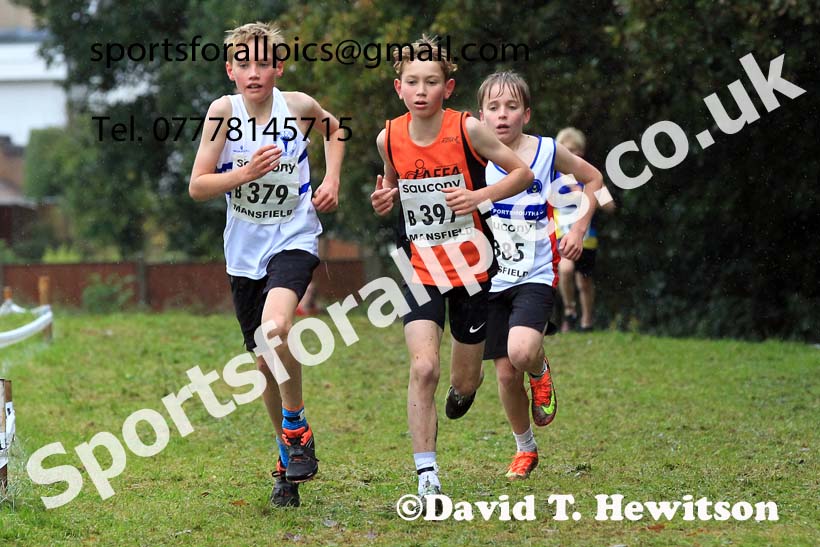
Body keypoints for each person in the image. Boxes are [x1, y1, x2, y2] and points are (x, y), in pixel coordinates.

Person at [188, 22, 345, 507]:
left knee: (276, 331)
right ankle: (285, 456)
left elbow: (335, 129)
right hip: (244, 252)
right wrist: (243, 173)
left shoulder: (296, 106)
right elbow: (197, 185)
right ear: (230, 69)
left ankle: (296, 429)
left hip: (294, 237)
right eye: (244, 64)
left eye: (263, 63)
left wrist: (333, 180)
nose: (254, 73)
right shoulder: (223, 113)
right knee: (262, 360)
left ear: (278, 67)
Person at [370, 36, 533, 502]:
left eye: (432, 82)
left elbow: (522, 172)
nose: (422, 90)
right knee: (423, 368)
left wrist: (479, 196)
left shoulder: (469, 129)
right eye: (413, 82)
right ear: (398, 87)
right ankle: (427, 477)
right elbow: (392, 186)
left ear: (448, 86)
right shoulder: (389, 136)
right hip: (420, 268)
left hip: (471, 268)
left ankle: (464, 392)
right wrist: (385, 198)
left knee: (465, 380)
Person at [478, 72, 604, 479]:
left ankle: (540, 370)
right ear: (480, 115)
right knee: (503, 373)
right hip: (490, 278)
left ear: (526, 114)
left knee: (522, 353)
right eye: (493, 108)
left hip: (535, 271)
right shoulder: (475, 155)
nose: (502, 116)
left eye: (511, 107)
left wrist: (579, 230)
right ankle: (525, 449)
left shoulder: (548, 151)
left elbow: (594, 179)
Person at [554, 128, 616, 332]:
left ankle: (587, 321)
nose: (574, 154)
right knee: (565, 269)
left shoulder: (590, 177)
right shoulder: (553, 177)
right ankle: (570, 311)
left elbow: (610, 206)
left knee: (585, 281)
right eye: (569, 149)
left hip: (587, 239)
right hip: (561, 236)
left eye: (578, 150)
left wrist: (585, 195)